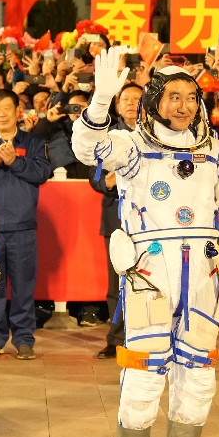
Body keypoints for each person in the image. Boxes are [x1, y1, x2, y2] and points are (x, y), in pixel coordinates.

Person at [72, 52, 219, 437]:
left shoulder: (216, 149)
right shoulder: (132, 146)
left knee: (198, 378)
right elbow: (87, 150)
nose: (183, 105)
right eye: (173, 96)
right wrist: (102, 100)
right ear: (154, 101)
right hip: (151, 274)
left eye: (191, 98)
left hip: (205, 273)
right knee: (146, 376)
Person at [0, 89, 54, 360]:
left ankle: (25, 339)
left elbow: (42, 173)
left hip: (22, 226)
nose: (2, 113)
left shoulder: (34, 142)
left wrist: (15, 161)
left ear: (18, 111)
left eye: (7, 107)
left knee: (23, 287)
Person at [92, 82, 144, 357]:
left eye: (138, 98)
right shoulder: (107, 136)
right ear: (117, 104)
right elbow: (94, 176)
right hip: (117, 218)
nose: (133, 103)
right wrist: (107, 182)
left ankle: (147, 334)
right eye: (127, 99)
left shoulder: (156, 134)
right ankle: (116, 337)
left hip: (152, 219)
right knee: (118, 281)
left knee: (151, 276)